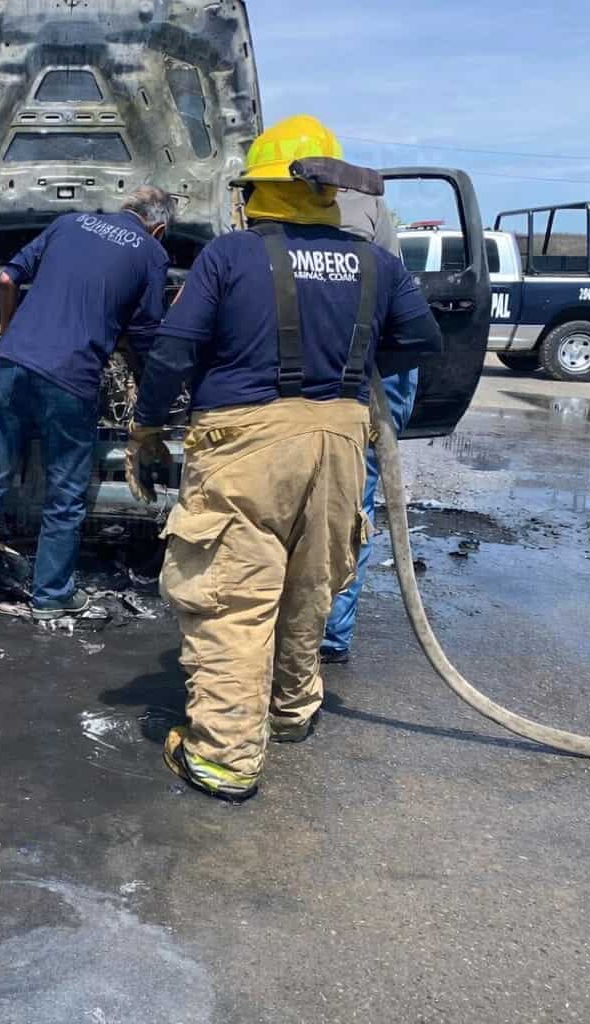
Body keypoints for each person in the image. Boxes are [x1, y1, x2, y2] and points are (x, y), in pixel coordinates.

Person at [125, 115, 443, 802]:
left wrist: (147, 430)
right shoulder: (377, 262)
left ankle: (226, 756)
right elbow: (422, 340)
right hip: (337, 441)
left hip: (243, 445)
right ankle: (291, 711)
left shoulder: (229, 256)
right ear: (327, 190)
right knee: (309, 583)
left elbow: (173, 350)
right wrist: (348, 363)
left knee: (235, 596)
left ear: (261, 191)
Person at [0, 187, 174, 621]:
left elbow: (6, 278)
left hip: (12, 364)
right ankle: (51, 595)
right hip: (71, 378)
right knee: (65, 493)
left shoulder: (68, 222)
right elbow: (148, 335)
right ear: (158, 227)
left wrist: (8, 328)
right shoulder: (150, 252)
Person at [321, 192, 421, 664]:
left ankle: (327, 635)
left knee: (347, 506)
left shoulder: (360, 226)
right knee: (337, 505)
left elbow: (418, 335)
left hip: (373, 377)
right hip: (371, 371)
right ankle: (321, 631)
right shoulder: (367, 210)